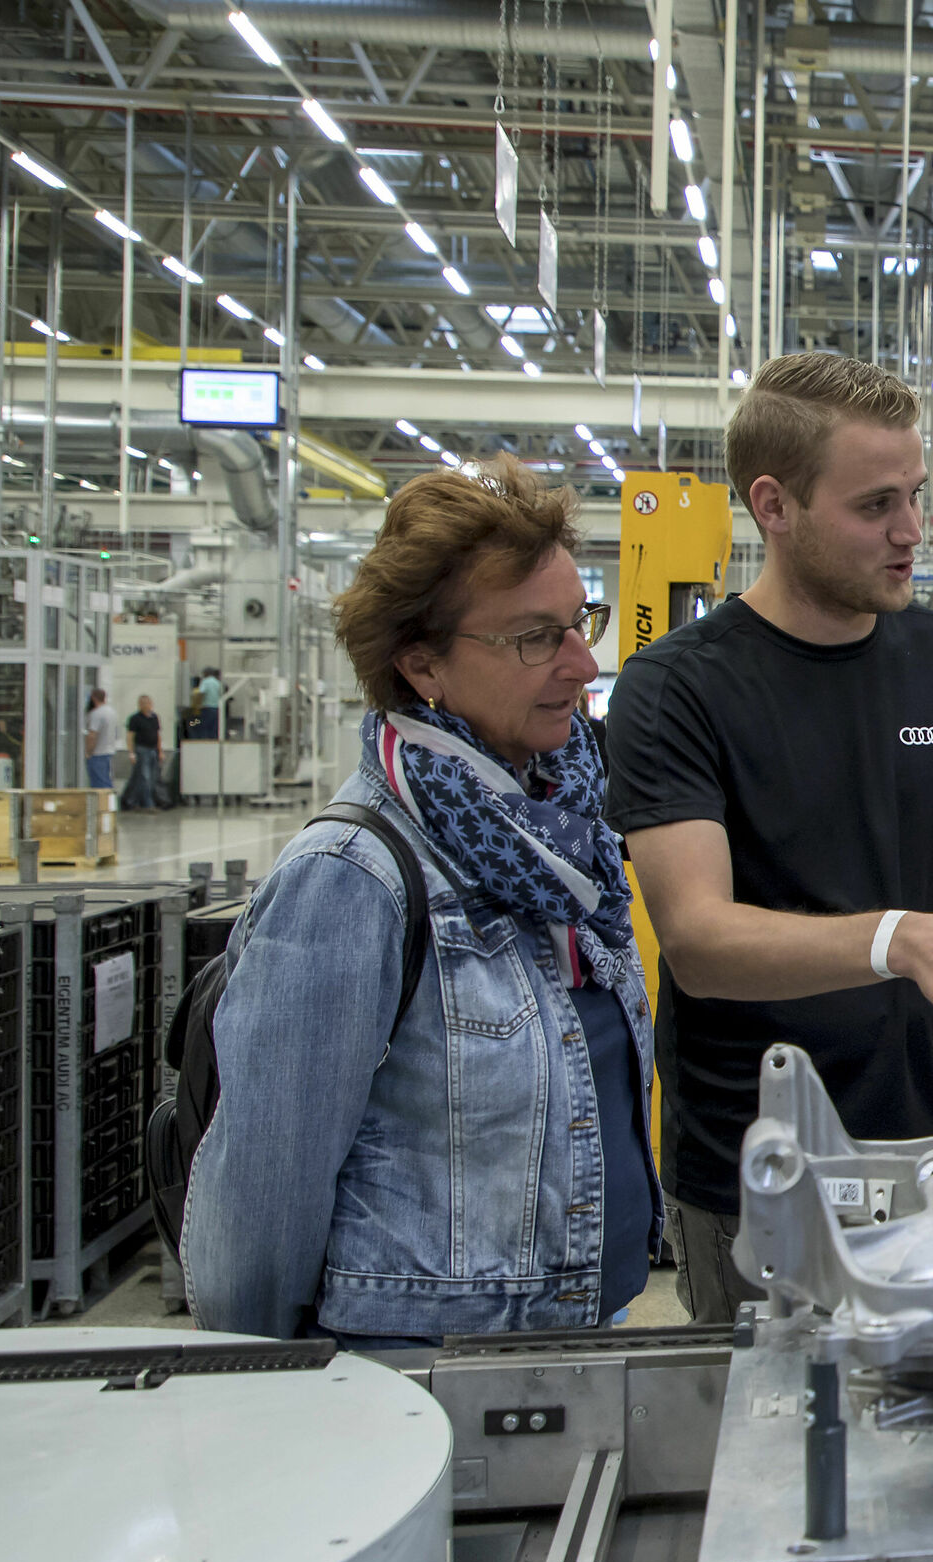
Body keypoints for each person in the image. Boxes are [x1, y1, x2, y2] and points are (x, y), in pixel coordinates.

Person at [607, 352, 933, 1324]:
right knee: (764, 1442)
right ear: (774, 504)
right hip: (755, 1166)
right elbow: (699, 937)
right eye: (874, 506)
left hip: (924, 1141)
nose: (910, 532)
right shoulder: (675, 691)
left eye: (917, 495)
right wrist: (894, 937)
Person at [185, 458, 658, 1347]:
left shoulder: (565, 835)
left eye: (578, 622)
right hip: (426, 1382)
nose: (583, 661)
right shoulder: (352, 878)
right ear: (421, 662)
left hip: (584, 1336)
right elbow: (249, 1236)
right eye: (534, 637)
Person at [123, 694, 163, 811]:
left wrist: (160, 751)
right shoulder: (135, 719)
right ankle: (148, 804)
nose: (145, 705)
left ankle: (134, 801)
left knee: (150, 778)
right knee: (144, 777)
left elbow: (158, 735)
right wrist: (131, 752)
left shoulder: (155, 717)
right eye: (142, 703)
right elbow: (130, 736)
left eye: (147, 703)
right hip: (141, 750)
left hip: (153, 750)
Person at [82, 686, 115, 791]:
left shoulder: (96, 714)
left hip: (98, 753)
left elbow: (92, 735)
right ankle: (110, 804)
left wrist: (88, 752)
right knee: (106, 780)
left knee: (99, 783)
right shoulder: (111, 712)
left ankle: (102, 806)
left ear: (94, 698)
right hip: (109, 750)